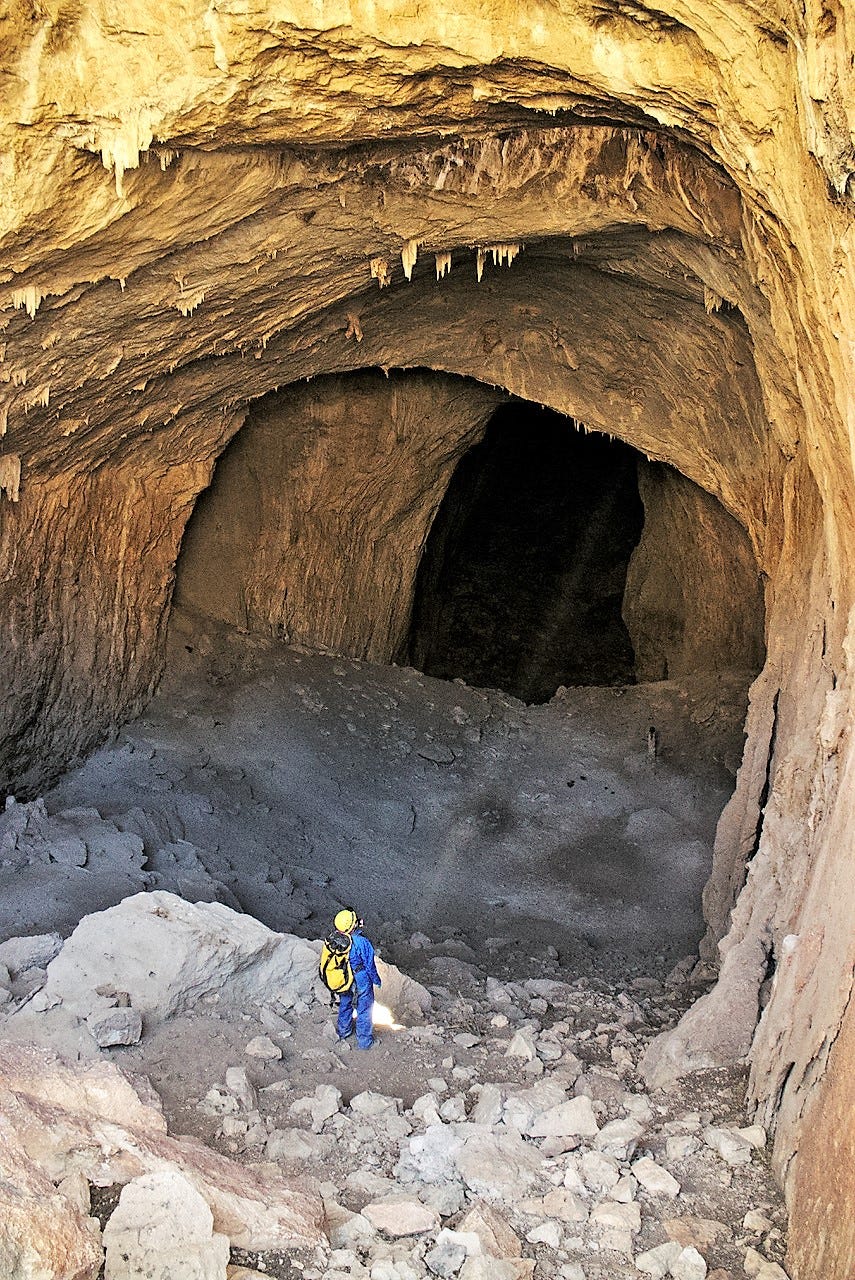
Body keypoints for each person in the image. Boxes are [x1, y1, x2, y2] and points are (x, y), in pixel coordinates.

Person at [334, 907, 381, 1050]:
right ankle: (365, 1042)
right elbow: (369, 964)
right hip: (360, 977)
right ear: (353, 925)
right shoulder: (361, 942)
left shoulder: (334, 939)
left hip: (343, 976)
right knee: (365, 1009)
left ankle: (343, 1031)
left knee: (345, 1002)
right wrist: (376, 980)